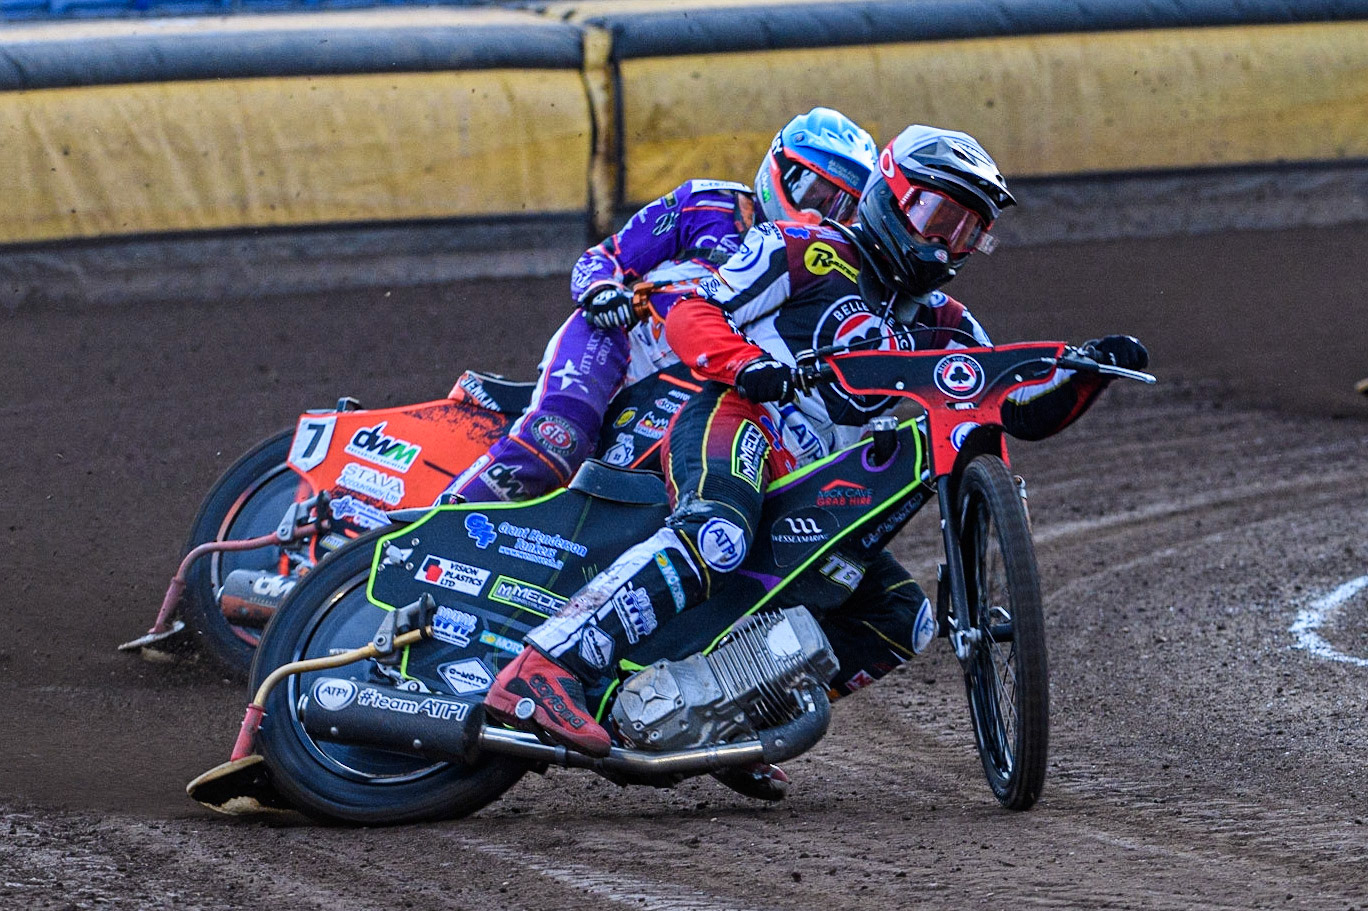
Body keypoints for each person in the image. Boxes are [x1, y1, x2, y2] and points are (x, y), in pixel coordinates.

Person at [484, 123, 1150, 780]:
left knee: (902, 618)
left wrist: (1086, 376)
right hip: (735, 416)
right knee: (716, 531)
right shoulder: (802, 245)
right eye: (938, 216)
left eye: (967, 231)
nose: (947, 243)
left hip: (811, 482)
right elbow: (692, 310)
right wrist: (746, 365)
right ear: (891, 196)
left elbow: (1013, 409)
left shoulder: (945, 322)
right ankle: (545, 668)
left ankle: (728, 715)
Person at [444, 107, 879, 504]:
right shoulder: (706, 203)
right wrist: (602, 293)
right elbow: (604, 257)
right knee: (558, 442)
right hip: (619, 341)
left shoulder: (828, 268)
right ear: (778, 168)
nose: (820, 214)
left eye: (842, 207)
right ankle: (437, 524)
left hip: (700, 379)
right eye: (815, 193)